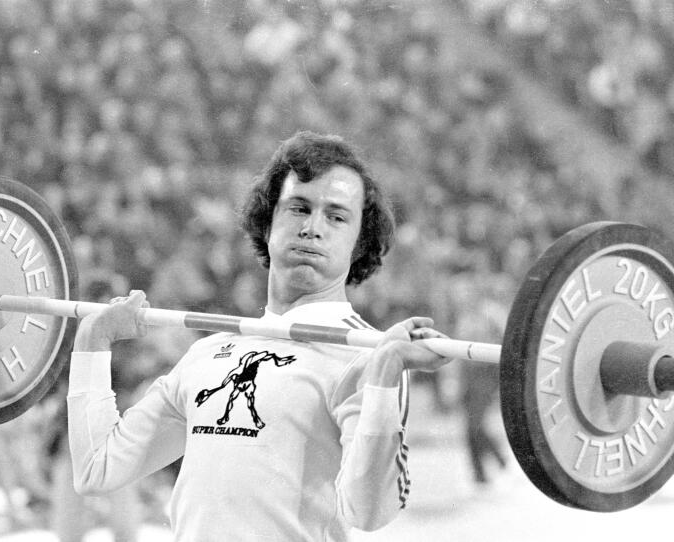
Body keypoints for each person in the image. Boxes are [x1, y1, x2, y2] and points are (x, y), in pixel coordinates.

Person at [67, 131, 453, 540]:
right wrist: (92, 342)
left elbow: (369, 512)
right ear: (268, 222)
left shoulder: (363, 357)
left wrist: (385, 374)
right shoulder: (209, 352)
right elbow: (99, 467)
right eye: (298, 208)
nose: (312, 228)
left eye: (336, 217)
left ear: (359, 243)